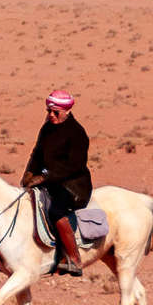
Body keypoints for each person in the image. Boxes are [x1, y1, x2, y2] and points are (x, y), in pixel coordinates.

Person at [21, 90, 92, 276]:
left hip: (73, 186)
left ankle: (74, 258)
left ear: (67, 111)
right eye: (49, 111)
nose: (51, 115)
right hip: (51, 182)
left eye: (55, 112)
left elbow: (74, 166)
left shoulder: (77, 133)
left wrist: (44, 177)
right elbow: (37, 154)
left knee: (55, 210)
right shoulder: (47, 129)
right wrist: (28, 175)